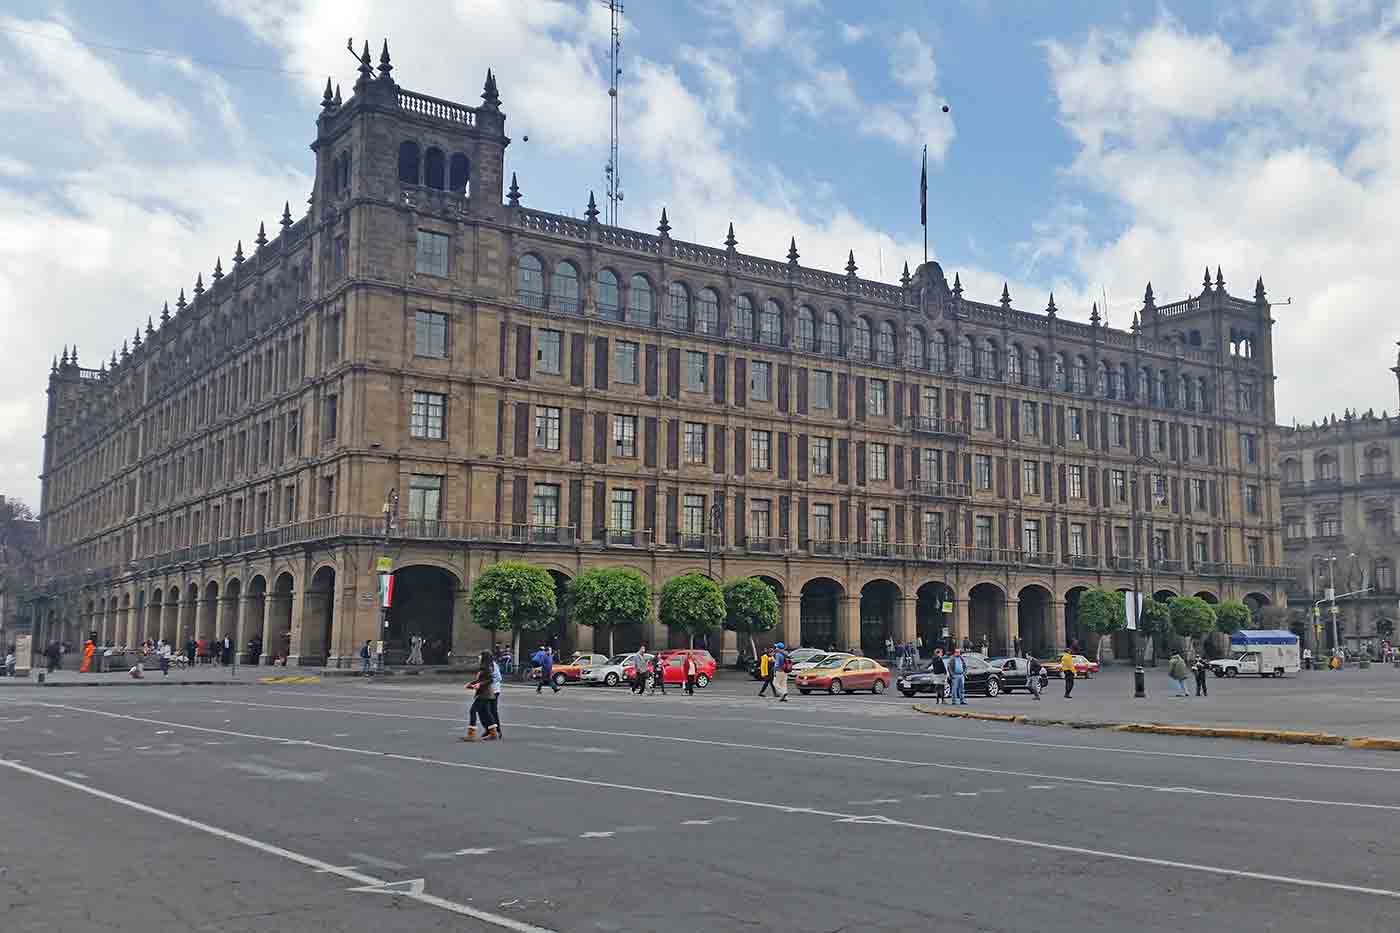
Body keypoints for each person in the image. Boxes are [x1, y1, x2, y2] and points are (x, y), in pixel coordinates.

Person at [463, 651, 498, 741]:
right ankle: (493, 733)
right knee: (486, 713)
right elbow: (481, 680)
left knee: (473, 711)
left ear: (484, 658)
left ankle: (471, 734)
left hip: (484, 694)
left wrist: (479, 685)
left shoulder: (486, 667)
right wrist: (471, 684)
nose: (479, 657)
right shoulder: (484, 667)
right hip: (485, 693)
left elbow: (490, 679)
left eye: (480, 655)